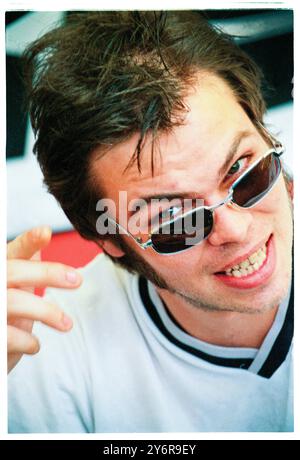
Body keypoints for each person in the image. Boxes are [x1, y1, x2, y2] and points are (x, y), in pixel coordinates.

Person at [7, 11, 293, 433]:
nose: (234, 229)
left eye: (245, 172)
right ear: (110, 240)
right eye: (175, 218)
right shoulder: (45, 354)